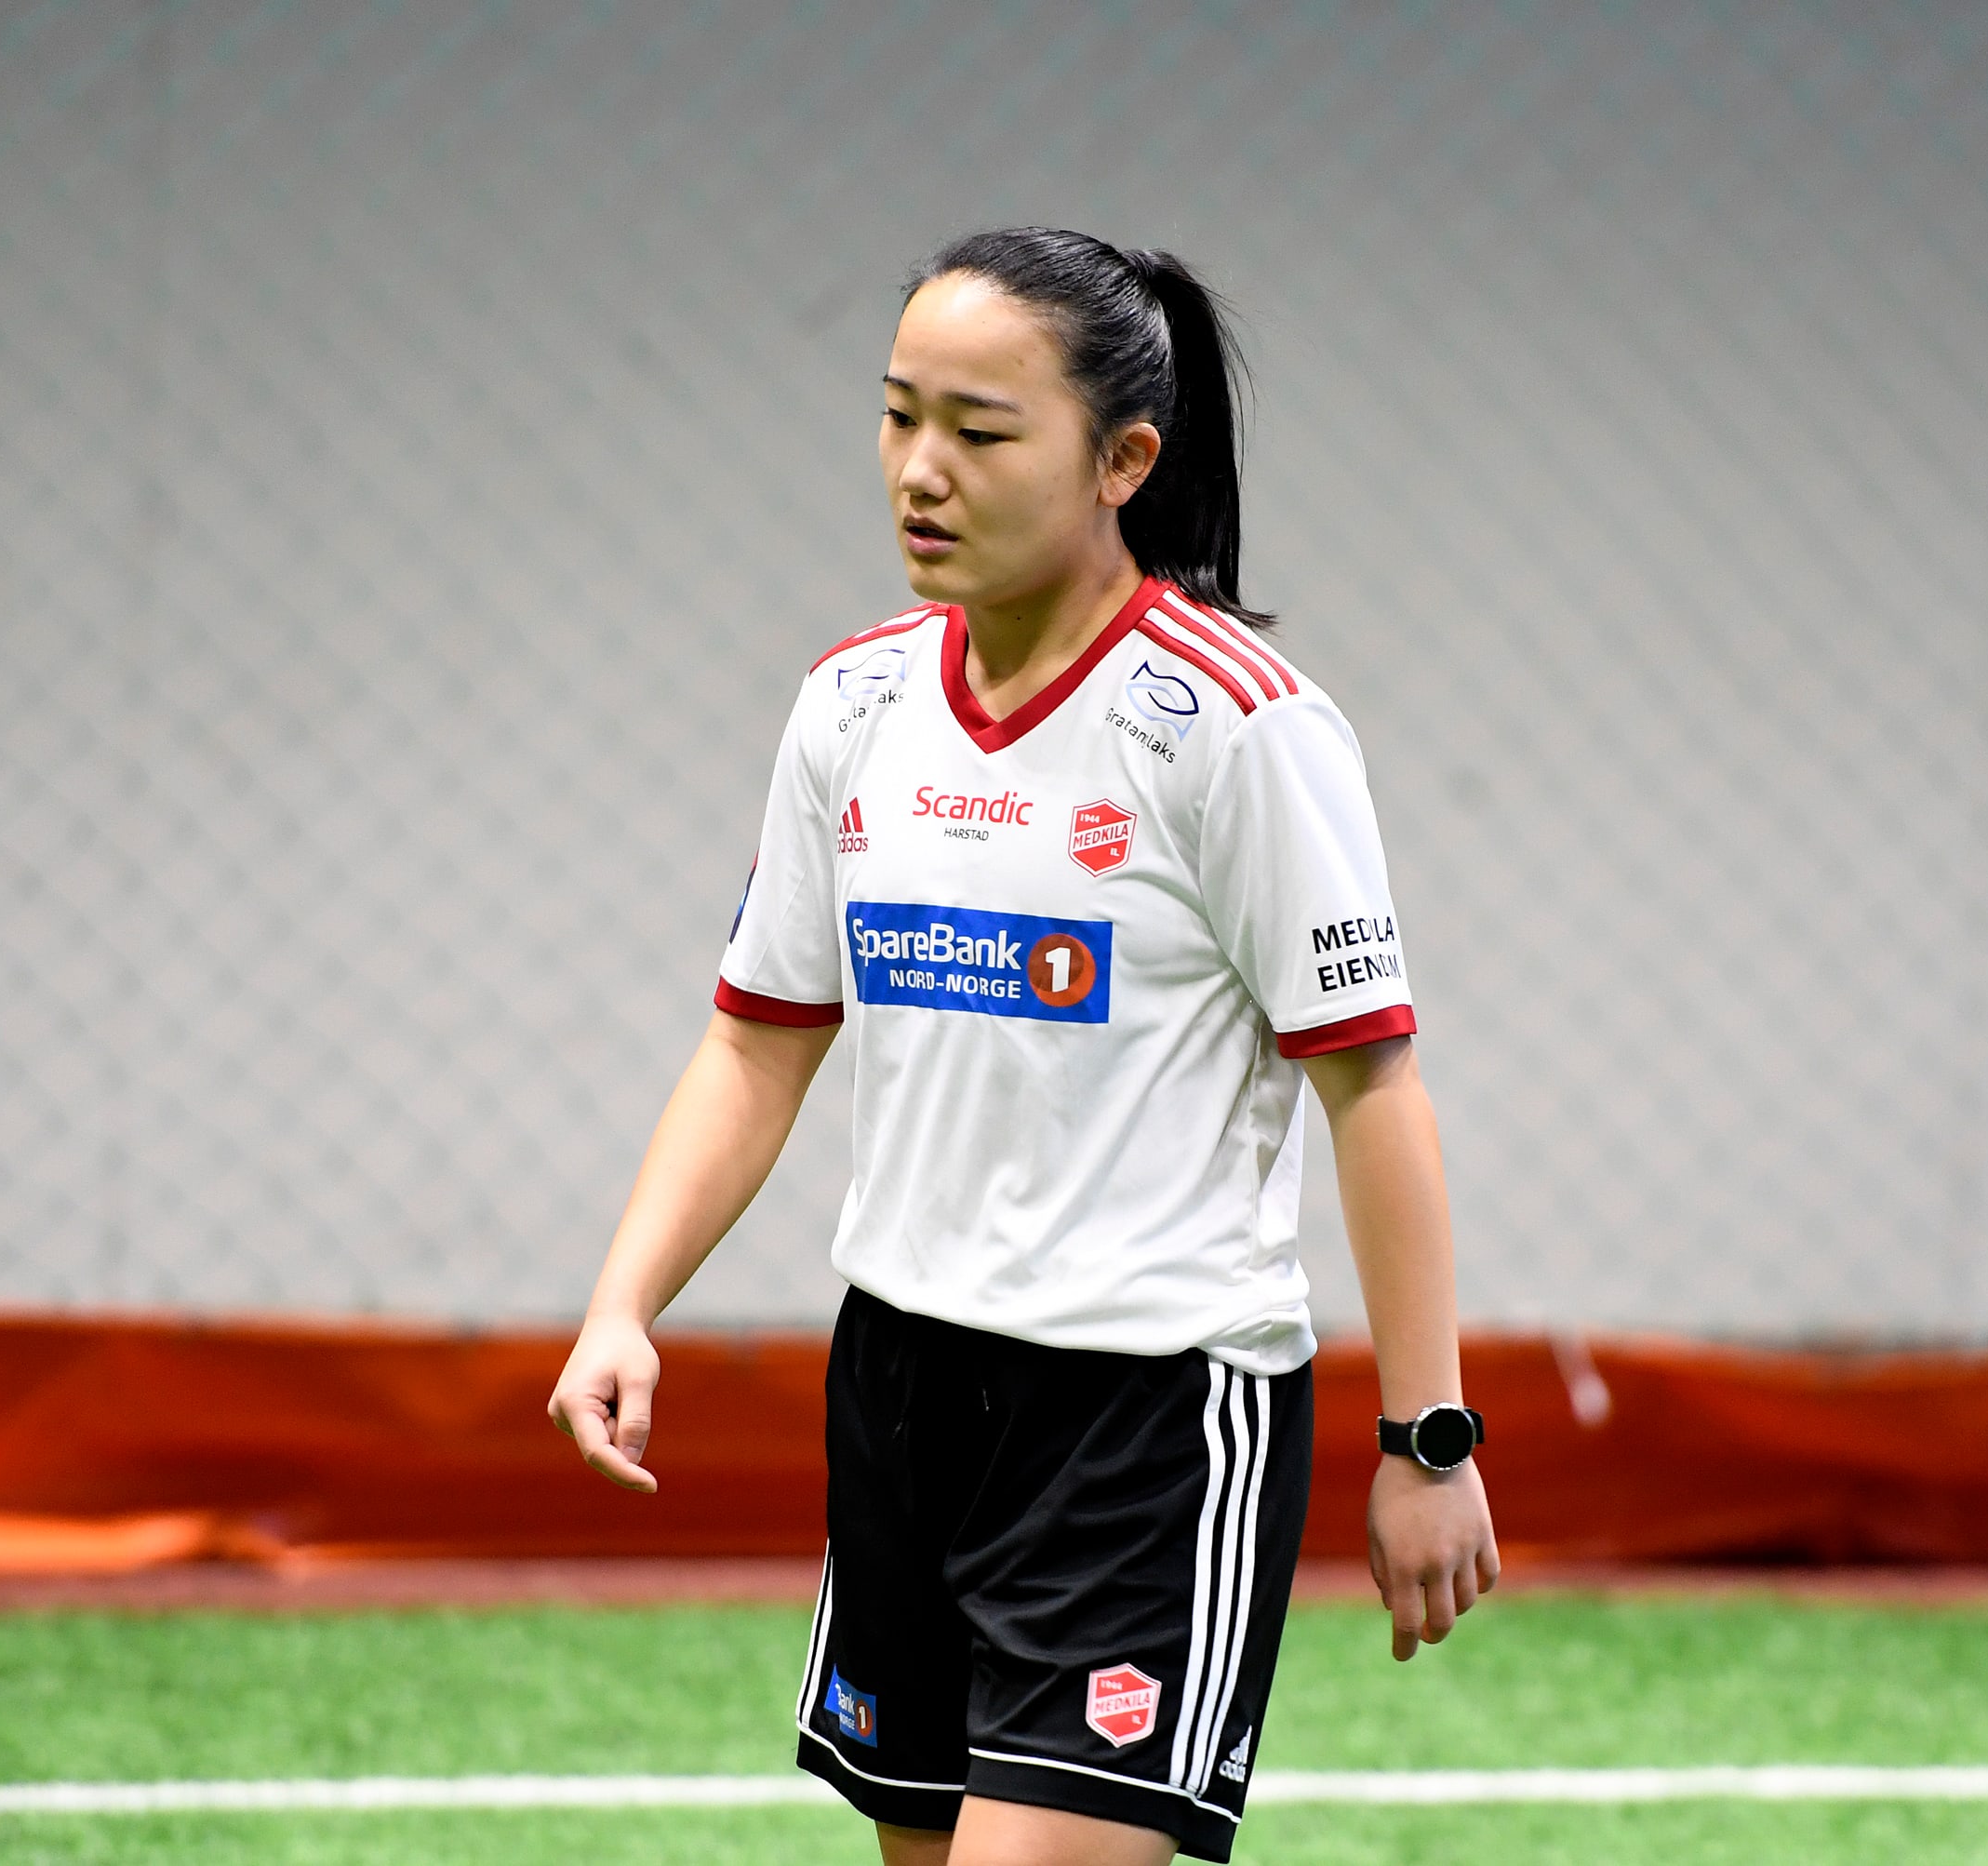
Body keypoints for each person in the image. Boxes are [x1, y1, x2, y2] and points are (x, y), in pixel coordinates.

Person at [550, 226, 1497, 1866]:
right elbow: (758, 1045)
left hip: (1147, 1422)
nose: (920, 470)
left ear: (1124, 461)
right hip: (901, 1389)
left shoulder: (1238, 729)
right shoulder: (853, 706)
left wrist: (1428, 1439)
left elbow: (1373, 1090)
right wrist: (623, 1302)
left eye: (980, 431)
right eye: (898, 414)